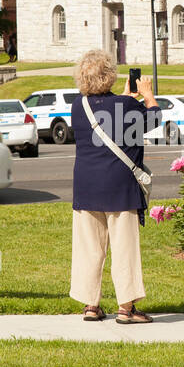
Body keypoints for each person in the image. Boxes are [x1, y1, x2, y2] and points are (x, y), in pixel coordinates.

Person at [69, 49, 161, 324]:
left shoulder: (77, 106)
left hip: (86, 186)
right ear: (109, 76)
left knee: (89, 249)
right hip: (119, 187)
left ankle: (91, 305)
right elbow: (154, 121)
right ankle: (126, 308)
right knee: (124, 249)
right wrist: (147, 95)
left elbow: (107, 115)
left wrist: (123, 98)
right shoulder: (126, 106)